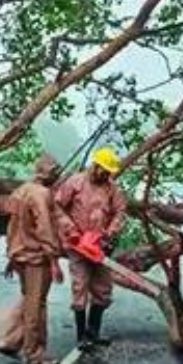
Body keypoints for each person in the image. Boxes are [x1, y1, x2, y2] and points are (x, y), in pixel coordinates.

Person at [0, 154, 66, 364]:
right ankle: (34, 353)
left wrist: (11, 255)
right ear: (51, 174)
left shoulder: (21, 191)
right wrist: (54, 261)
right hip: (36, 258)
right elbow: (45, 230)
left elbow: (12, 227)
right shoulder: (42, 195)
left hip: (19, 255)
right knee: (37, 305)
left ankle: (10, 341)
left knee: (28, 299)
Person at [55, 147, 127, 349]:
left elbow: (120, 212)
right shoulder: (75, 182)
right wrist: (70, 230)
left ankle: (93, 332)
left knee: (103, 289)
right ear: (95, 166)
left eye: (108, 172)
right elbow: (57, 206)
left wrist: (110, 233)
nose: (105, 174)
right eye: (103, 170)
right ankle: (81, 337)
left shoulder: (112, 188)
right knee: (80, 286)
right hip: (77, 244)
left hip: (99, 245)